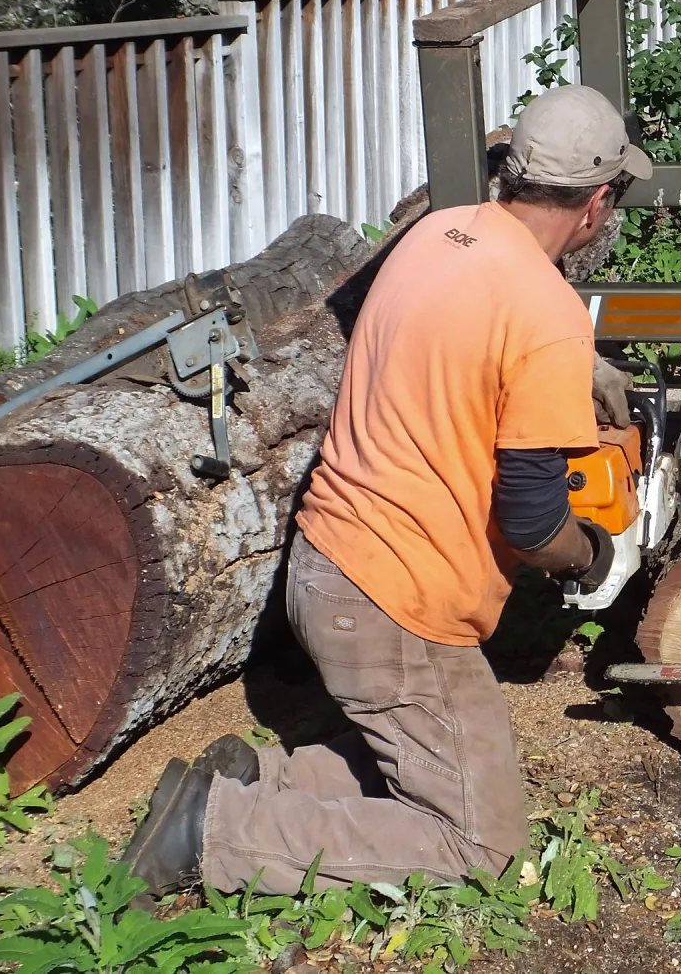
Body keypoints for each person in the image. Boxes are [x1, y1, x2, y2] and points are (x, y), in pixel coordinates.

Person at [120, 84, 653, 899]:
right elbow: (534, 515)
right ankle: (219, 834)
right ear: (596, 203)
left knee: (441, 763)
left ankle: (262, 775)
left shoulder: (438, 232)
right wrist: (589, 556)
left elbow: (467, 342)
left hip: (326, 561)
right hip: (397, 607)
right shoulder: (547, 310)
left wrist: (576, 367)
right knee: (484, 847)